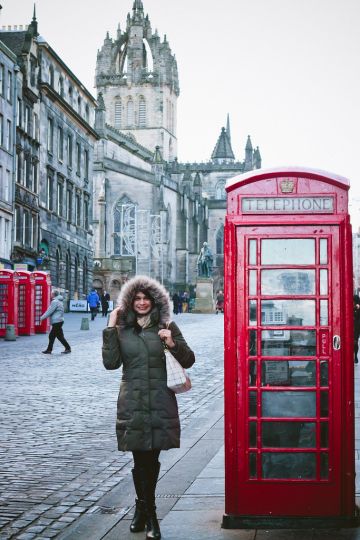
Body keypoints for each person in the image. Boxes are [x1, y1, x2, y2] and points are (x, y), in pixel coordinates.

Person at [102, 276, 195, 540]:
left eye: (146, 299)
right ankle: (144, 510)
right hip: (132, 399)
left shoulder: (167, 325)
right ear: (130, 302)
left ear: (155, 302)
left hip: (159, 398)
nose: (142, 303)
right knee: (138, 457)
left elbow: (188, 360)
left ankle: (148, 512)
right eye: (137, 299)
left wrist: (172, 343)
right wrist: (111, 326)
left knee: (151, 457)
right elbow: (110, 363)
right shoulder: (122, 330)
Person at [40, 290, 71, 354]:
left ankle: (50, 350)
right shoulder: (59, 300)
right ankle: (67, 348)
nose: (50, 295)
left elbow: (49, 311)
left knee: (52, 336)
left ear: (54, 294)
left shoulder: (55, 302)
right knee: (59, 336)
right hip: (60, 320)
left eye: (51, 294)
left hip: (57, 321)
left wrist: (42, 317)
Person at [354, 295, 360, 364]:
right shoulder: (351, 306)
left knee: (355, 342)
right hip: (351, 327)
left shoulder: (358, 307)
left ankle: (355, 355)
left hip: (357, 328)